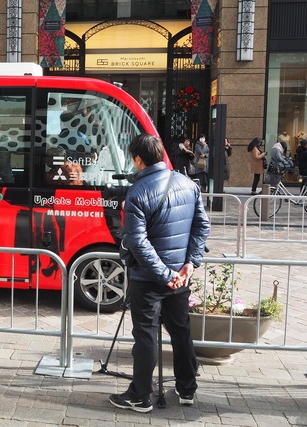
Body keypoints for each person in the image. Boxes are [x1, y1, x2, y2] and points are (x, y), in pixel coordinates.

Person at [109, 133, 210, 413]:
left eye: (133, 158)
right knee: (180, 332)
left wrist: (165, 274)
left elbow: (138, 242)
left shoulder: (138, 192)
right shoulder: (187, 183)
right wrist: (189, 264)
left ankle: (140, 396)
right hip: (180, 275)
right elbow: (202, 227)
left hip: (150, 279)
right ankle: (187, 388)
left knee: (145, 335)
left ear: (139, 159)